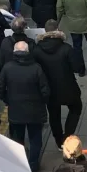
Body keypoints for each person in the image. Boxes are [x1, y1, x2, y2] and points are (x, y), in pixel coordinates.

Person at [0, 40, 49, 172]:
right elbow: (45, 91)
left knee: (17, 140)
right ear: (27, 52)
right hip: (35, 112)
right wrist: (41, 102)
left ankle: (20, 165)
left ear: (14, 52)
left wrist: (8, 100)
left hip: (16, 112)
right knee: (35, 140)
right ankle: (33, 166)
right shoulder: (36, 68)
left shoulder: (8, 68)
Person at [33, 20, 82, 149]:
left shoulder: (37, 50)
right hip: (68, 87)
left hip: (49, 89)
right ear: (58, 30)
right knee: (76, 107)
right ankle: (67, 136)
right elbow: (76, 67)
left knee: (54, 115)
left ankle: (58, 139)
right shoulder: (66, 48)